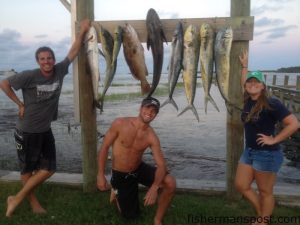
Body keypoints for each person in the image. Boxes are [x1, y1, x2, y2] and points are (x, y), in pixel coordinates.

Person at [0, 18, 91, 217]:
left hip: (45, 130)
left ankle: (16, 198)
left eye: (49, 58)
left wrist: (83, 31)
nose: (47, 62)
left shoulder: (59, 70)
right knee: (27, 171)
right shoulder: (29, 75)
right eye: (42, 59)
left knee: (49, 169)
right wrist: (20, 103)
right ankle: (32, 204)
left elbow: (73, 51)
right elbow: (4, 84)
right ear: (37, 61)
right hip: (27, 131)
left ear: (53, 59)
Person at [235, 50, 299, 225]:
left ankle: (263, 221)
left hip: (267, 154)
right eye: (250, 82)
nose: (252, 84)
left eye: (257, 82)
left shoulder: (272, 103)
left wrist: (274, 139)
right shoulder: (248, 100)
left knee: (265, 192)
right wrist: (245, 67)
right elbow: (244, 82)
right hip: (249, 151)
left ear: (263, 86)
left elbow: (294, 124)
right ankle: (262, 214)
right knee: (241, 185)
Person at [97, 96, 176, 225]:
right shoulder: (120, 123)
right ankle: (116, 189)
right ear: (140, 108)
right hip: (121, 174)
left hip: (138, 168)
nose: (149, 113)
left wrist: (155, 187)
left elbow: (162, 165)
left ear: (156, 114)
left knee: (170, 182)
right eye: (147, 108)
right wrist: (100, 174)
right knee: (130, 216)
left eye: (154, 111)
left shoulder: (151, 136)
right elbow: (104, 148)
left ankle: (157, 220)